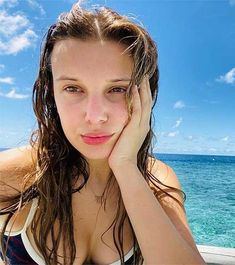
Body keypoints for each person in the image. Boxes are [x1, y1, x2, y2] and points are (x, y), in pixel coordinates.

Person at [0, 2, 206, 265]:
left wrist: (126, 167)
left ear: (145, 95)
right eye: (73, 88)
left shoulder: (155, 181)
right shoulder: (21, 175)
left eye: (117, 89)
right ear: (52, 94)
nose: (95, 116)